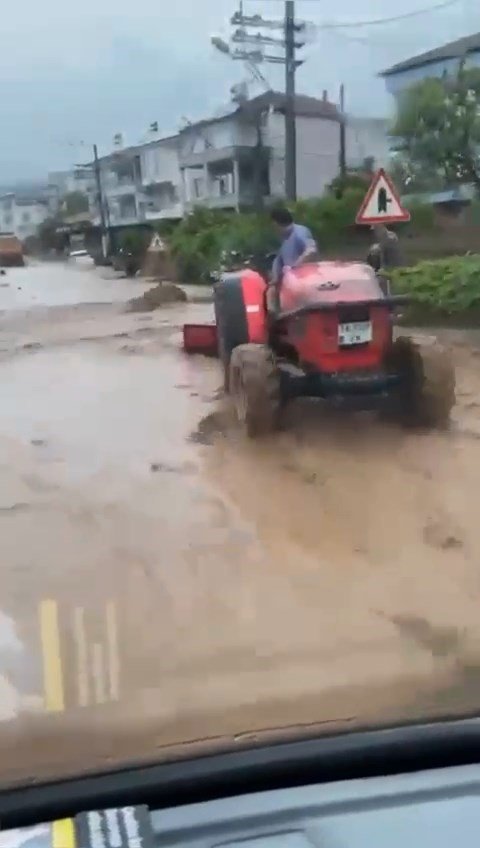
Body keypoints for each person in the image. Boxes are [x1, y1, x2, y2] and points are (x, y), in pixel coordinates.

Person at [268, 208, 319, 311]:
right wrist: (275, 278)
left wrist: (295, 266)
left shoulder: (300, 232)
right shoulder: (284, 239)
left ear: (276, 224)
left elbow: (311, 250)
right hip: (288, 284)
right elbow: (279, 260)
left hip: (303, 282)